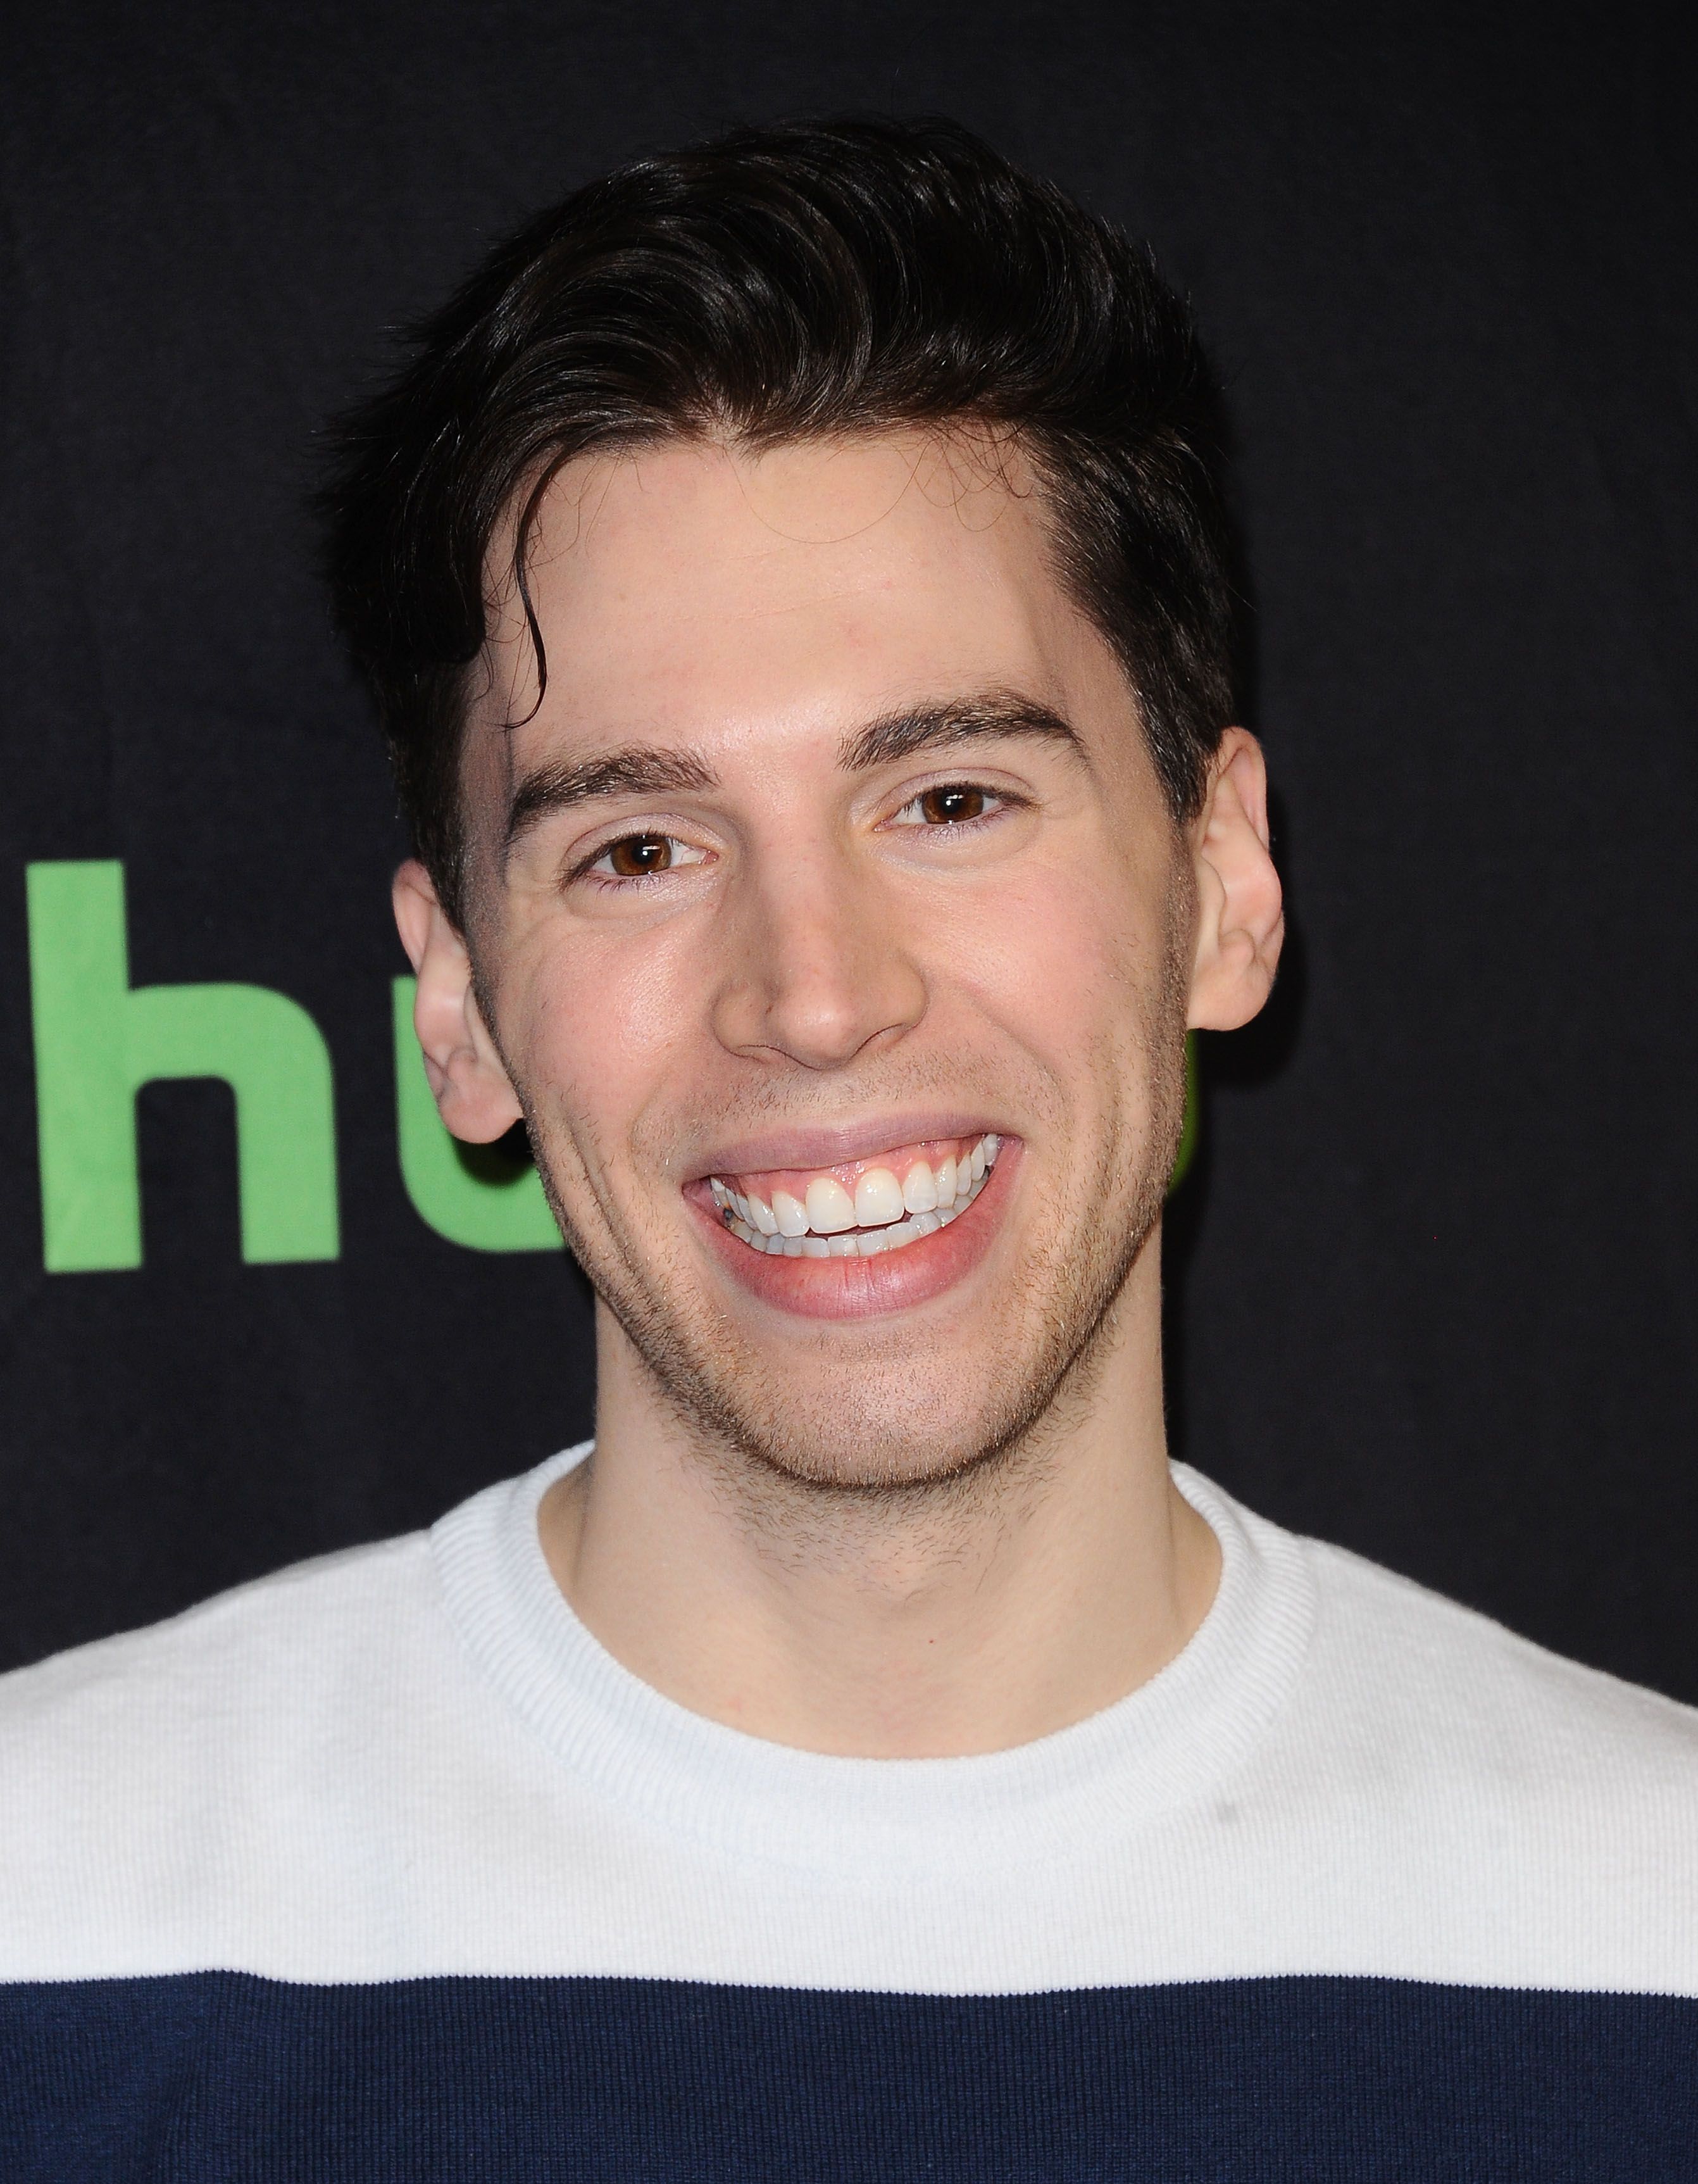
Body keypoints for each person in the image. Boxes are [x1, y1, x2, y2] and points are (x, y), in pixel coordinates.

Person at [2, 116, 1694, 2178]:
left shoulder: (1648, 1934)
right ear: (458, 1008)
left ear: (1224, 879)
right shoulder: (54, 1918)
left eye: (953, 798)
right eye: (638, 845)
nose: (811, 993)